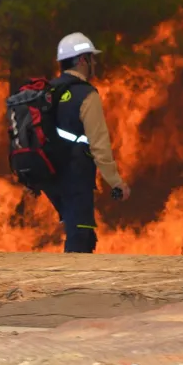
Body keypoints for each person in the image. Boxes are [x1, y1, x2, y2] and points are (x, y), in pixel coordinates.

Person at [43, 32, 130, 253]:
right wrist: (116, 182)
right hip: (75, 176)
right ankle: (69, 285)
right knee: (80, 236)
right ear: (82, 60)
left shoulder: (49, 91)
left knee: (84, 233)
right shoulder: (86, 95)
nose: (95, 63)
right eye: (92, 58)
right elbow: (99, 145)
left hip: (49, 173)